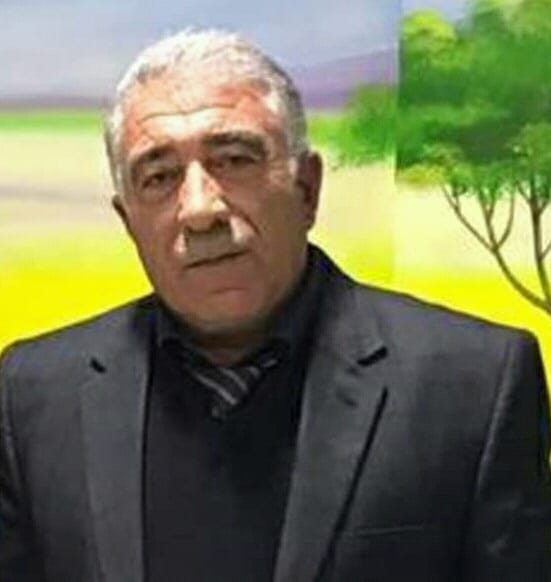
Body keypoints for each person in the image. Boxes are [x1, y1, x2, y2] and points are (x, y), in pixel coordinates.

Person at [0, 28, 550, 582]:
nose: (200, 210)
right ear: (128, 221)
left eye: (234, 160)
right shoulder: (32, 396)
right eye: (159, 177)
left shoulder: (474, 384)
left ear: (307, 188)